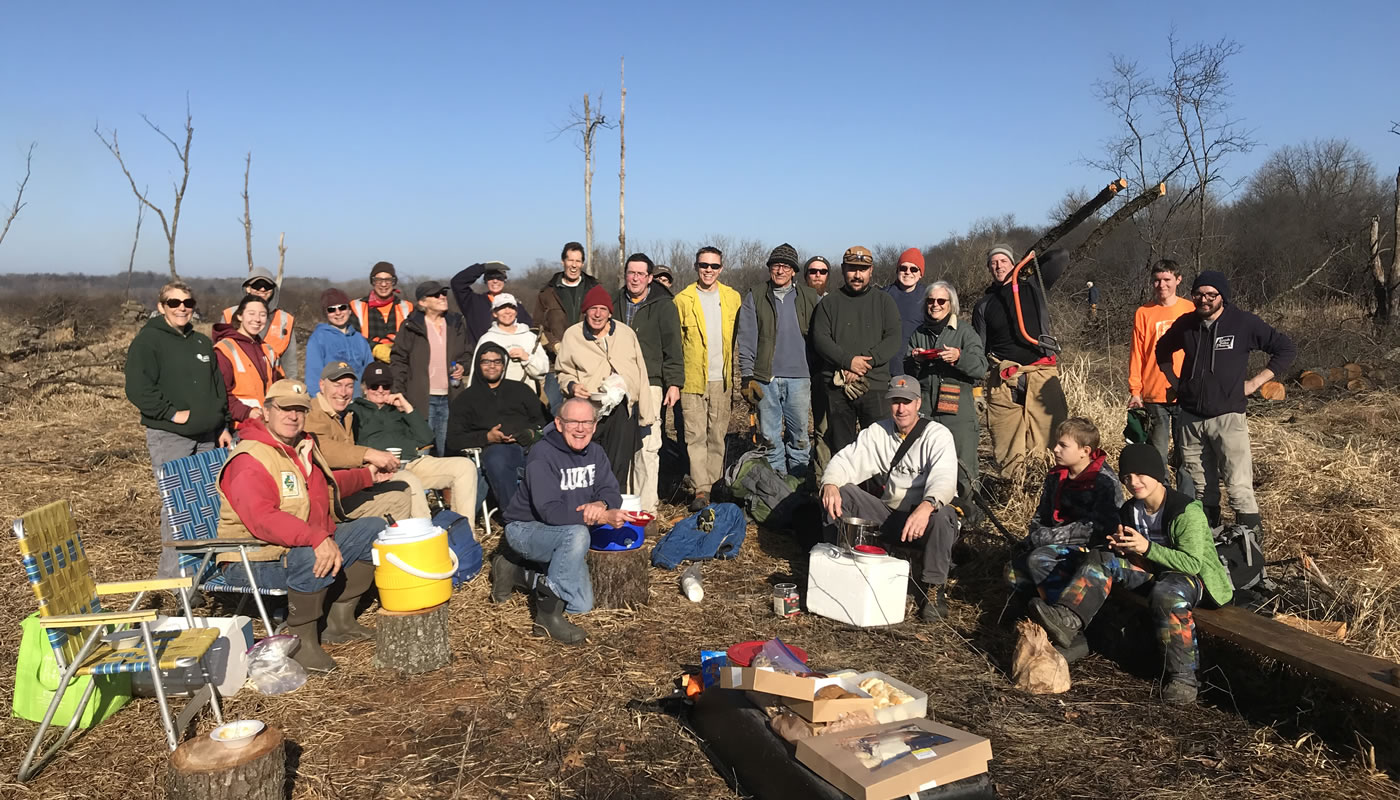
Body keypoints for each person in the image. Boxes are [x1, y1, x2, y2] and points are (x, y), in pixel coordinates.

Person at [1029, 444, 1234, 705]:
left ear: (1157, 474)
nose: (1133, 482)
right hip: (1151, 571)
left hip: (1193, 579)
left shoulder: (1185, 511)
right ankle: (1069, 621)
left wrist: (1147, 548)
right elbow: (1132, 552)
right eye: (1127, 477)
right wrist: (1121, 547)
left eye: (1140, 475)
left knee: (1167, 594)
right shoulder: (1130, 510)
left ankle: (1183, 677)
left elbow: (1192, 563)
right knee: (1101, 556)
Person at [215, 379, 392, 672]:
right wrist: (315, 537)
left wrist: (366, 477)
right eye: (285, 408)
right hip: (253, 557)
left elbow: (322, 486)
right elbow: (263, 520)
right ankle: (301, 640)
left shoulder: (300, 447)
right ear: (267, 412)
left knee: (373, 529)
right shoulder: (250, 458)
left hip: (294, 547)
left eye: (300, 409)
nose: (293, 416)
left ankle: (339, 620)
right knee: (311, 552)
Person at [1154, 270, 1296, 530]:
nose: (1204, 300)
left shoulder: (1243, 323)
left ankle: (1249, 551)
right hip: (1190, 419)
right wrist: (1176, 383)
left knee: (1238, 487)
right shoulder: (1186, 324)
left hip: (1228, 418)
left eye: (1211, 295)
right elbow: (1161, 350)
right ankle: (1208, 543)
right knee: (1200, 488)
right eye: (1198, 294)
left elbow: (1285, 348)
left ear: (1223, 297)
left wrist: (1254, 383)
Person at [819, 376, 960, 620]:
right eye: (896, 402)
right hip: (891, 515)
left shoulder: (938, 435)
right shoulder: (878, 432)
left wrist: (926, 507)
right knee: (842, 493)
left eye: (906, 402)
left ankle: (934, 587)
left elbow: (945, 478)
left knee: (944, 514)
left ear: (918, 403)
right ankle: (836, 563)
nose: (901, 408)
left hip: (926, 517)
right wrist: (830, 483)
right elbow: (847, 460)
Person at [494, 397, 627, 644]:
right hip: (525, 529)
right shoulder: (541, 454)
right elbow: (550, 512)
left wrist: (602, 505)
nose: (580, 428)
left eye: (586, 422)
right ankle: (546, 619)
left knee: (581, 605)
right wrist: (600, 517)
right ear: (558, 423)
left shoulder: (596, 453)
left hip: (564, 532)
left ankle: (518, 574)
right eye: (573, 422)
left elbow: (611, 489)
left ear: (595, 425)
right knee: (577, 534)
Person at [125, 281, 233, 579]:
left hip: (209, 437)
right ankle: (174, 580)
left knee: (207, 503)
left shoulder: (200, 342)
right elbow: (138, 388)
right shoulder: (149, 341)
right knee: (177, 506)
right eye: (174, 303)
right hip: (172, 437)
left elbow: (217, 387)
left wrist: (222, 424)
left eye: (188, 302)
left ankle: (202, 576)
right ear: (161, 307)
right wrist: (171, 414)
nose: (182, 308)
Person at [1005, 418, 1123, 655]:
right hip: (1053, 544)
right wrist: (1034, 536)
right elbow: (1042, 514)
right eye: (1056, 444)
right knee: (1013, 570)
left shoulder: (1104, 481)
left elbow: (1098, 527)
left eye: (1063, 445)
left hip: (1093, 552)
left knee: (1040, 560)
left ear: (1084, 451)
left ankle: (1072, 630)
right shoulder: (1056, 476)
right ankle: (1036, 619)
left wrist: (1047, 538)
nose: (1055, 449)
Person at [971, 244, 1071, 479]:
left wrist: (1030, 258)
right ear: (988, 268)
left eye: (1004, 261)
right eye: (993, 262)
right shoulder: (984, 305)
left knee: (1049, 440)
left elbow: (1061, 255)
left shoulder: (1033, 287)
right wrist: (976, 388)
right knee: (1007, 446)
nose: (998, 266)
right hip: (1005, 381)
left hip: (1041, 373)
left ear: (1013, 263)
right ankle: (1014, 491)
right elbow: (980, 349)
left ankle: (1046, 490)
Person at [350, 363, 478, 523]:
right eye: (374, 386)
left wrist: (407, 407)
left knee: (465, 466)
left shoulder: (397, 409)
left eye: (386, 385)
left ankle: (464, 535)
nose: (381, 390)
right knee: (408, 479)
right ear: (364, 388)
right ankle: (426, 537)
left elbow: (426, 438)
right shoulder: (355, 411)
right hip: (384, 471)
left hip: (413, 463)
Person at [556, 286, 654, 489]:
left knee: (619, 465)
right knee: (590, 464)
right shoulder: (572, 336)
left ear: (610, 312)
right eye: (593, 308)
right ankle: (587, 508)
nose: (598, 314)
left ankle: (612, 510)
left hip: (623, 410)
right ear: (585, 311)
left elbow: (641, 373)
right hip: (590, 411)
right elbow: (563, 372)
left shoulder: (626, 334)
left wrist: (646, 413)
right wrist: (572, 386)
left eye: (602, 308)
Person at [810, 246, 902, 460]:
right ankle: (847, 493)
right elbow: (820, 339)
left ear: (871, 271)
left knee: (879, 447)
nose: (857, 275)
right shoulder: (829, 303)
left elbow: (893, 338)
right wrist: (848, 361)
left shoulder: (883, 301)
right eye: (852, 269)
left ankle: (877, 493)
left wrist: (863, 364)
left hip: (876, 386)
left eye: (863, 269)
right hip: (838, 387)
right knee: (842, 450)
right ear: (843, 270)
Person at [738, 243, 819, 478]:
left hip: (800, 377)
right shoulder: (755, 296)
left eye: (786, 266)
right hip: (765, 378)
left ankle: (799, 486)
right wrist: (746, 376)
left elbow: (821, 335)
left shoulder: (809, 297)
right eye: (776, 265)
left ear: (794, 271)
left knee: (800, 437)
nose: (780, 271)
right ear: (769, 269)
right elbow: (747, 339)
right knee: (770, 438)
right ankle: (777, 491)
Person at [611, 252, 683, 513]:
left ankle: (647, 509)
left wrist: (673, 383)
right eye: (631, 273)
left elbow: (674, 347)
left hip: (651, 382)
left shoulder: (663, 304)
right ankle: (622, 505)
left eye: (641, 274)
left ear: (650, 278)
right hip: (618, 383)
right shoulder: (615, 302)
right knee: (620, 446)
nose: (635, 278)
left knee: (648, 445)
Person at [903, 281, 987, 499]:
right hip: (927, 411)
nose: (935, 305)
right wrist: (917, 360)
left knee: (963, 468)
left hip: (958, 414)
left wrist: (959, 358)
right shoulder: (918, 334)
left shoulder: (965, 332)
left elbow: (980, 368)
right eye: (931, 301)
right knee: (925, 465)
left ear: (951, 304)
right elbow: (908, 371)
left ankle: (969, 519)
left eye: (941, 301)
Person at [304, 362, 416, 520]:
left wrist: (370, 469)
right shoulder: (313, 413)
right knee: (399, 500)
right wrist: (368, 454)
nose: (343, 392)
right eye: (337, 385)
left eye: (349, 386)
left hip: (349, 488)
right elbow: (320, 447)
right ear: (322, 385)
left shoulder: (345, 415)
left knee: (402, 487)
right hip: (329, 500)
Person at [674, 245, 741, 510]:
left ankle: (714, 485)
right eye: (704, 265)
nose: (708, 271)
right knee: (695, 435)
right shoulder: (682, 299)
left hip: (721, 379)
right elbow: (676, 344)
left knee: (717, 433)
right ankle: (700, 489)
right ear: (696, 267)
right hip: (692, 380)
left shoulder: (732, 297)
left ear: (721, 268)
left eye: (714, 266)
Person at [445, 343, 550, 509]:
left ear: (504, 365)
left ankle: (551, 511)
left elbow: (545, 420)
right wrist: (486, 437)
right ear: (478, 365)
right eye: (486, 362)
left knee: (551, 456)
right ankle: (514, 517)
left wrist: (531, 433)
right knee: (498, 458)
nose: (492, 366)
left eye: (497, 361)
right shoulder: (466, 399)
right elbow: (453, 439)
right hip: (494, 451)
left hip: (530, 447)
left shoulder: (520, 390)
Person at [1128, 260, 1196, 496]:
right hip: (1153, 394)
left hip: (1185, 394)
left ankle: (1187, 503)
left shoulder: (1190, 310)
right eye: (1157, 280)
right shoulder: (1144, 313)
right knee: (1156, 454)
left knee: (1186, 453)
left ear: (1178, 280)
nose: (1161, 285)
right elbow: (1137, 353)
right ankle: (1161, 501)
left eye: (1167, 279)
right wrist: (1135, 390)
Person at [390, 280, 472, 456]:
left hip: (451, 398)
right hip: (421, 399)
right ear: (422, 302)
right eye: (436, 295)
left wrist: (462, 367)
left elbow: (467, 354)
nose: (442, 297)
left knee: (445, 452)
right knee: (423, 452)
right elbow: (398, 360)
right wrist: (398, 392)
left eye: (443, 294)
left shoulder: (456, 323)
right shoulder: (410, 326)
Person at [536, 242, 599, 412]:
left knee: (587, 411)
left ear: (583, 263)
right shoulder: (547, 293)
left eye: (578, 261)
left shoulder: (594, 289)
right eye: (570, 260)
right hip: (555, 364)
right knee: (556, 411)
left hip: (587, 363)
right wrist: (554, 345)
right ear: (563, 261)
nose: (574, 265)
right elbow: (537, 328)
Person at [213, 294, 283, 431]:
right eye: (251, 313)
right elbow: (220, 394)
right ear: (240, 316)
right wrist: (247, 412)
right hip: (239, 426)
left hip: (265, 424)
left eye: (262, 315)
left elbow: (278, 386)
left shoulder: (268, 350)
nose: (257, 319)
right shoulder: (225, 349)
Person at [221, 267, 298, 386]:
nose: (262, 289)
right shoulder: (229, 315)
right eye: (257, 285)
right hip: (238, 387)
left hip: (274, 387)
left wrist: (291, 388)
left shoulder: (285, 320)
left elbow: (290, 362)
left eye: (267, 286)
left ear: (273, 290)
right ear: (247, 288)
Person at [468, 293, 548, 394]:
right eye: (502, 307)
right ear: (494, 313)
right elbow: (475, 374)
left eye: (511, 307)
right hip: (496, 399)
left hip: (526, 399)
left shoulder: (529, 337)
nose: (507, 311)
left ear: (516, 311)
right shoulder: (487, 339)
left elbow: (543, 370)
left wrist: (527, 358)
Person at [305, 288, 374, 397]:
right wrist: (318, 403)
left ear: (349, 310)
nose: (338, 313)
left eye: (342, 308)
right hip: (332, 402)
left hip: (357, 402)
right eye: (331, 309)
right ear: (326, 314)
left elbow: (370, 371)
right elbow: (313, 376)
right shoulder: (318, 338)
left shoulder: (360, 339)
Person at [450, 261, 535, 341]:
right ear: (485, 281)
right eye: (490, 277)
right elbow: (457, 283)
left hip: (511, 354)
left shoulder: (515, 305)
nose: (495, 281)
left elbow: (529, 329)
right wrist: (483, 267)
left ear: (504, 280)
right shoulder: (473, 303)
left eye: (499, 277)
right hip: (481, 354)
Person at [350, 261, 416, 360]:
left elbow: (414, 340)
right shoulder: (356, 306)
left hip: (399, 366)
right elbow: (351, 338)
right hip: (367, 365)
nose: (384, 284)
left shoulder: (407, 307)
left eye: (388, 280)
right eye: (378, 280)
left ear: (394, 282)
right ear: (373, 282)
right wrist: (375, 347)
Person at [805, 255, 833, 478]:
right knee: (798, 429)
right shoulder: (797, 301)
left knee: (825, 427)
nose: (817, 275)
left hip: (827, 373)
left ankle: (825, 474)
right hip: (800, 372)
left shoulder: (834, 302)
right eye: (813, 271)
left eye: (822, 271)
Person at [884, 248, 926, 376]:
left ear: (920, 274)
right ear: (897, 270)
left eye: (913, 269)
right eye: (903, 268)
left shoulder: (929, 298)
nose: (908, 272)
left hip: (917, 369)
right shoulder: (883, 295)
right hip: (886, 368)